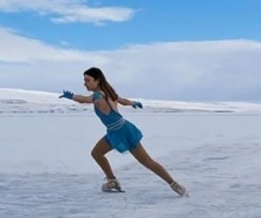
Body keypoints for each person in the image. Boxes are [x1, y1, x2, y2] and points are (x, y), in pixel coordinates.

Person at [59, 67, 187, 196]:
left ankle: (174, 184)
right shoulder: (108, 92)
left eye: (88, 80)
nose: (85, 84)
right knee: (97, 153)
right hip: (114, 131)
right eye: (84, 80)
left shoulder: (98, 95)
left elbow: (84, 100)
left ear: (97, 80)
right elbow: (122, 100)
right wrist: (133, 103)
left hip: (123, 132)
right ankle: (112, 181)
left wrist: (71, 96)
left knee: (146, 161)